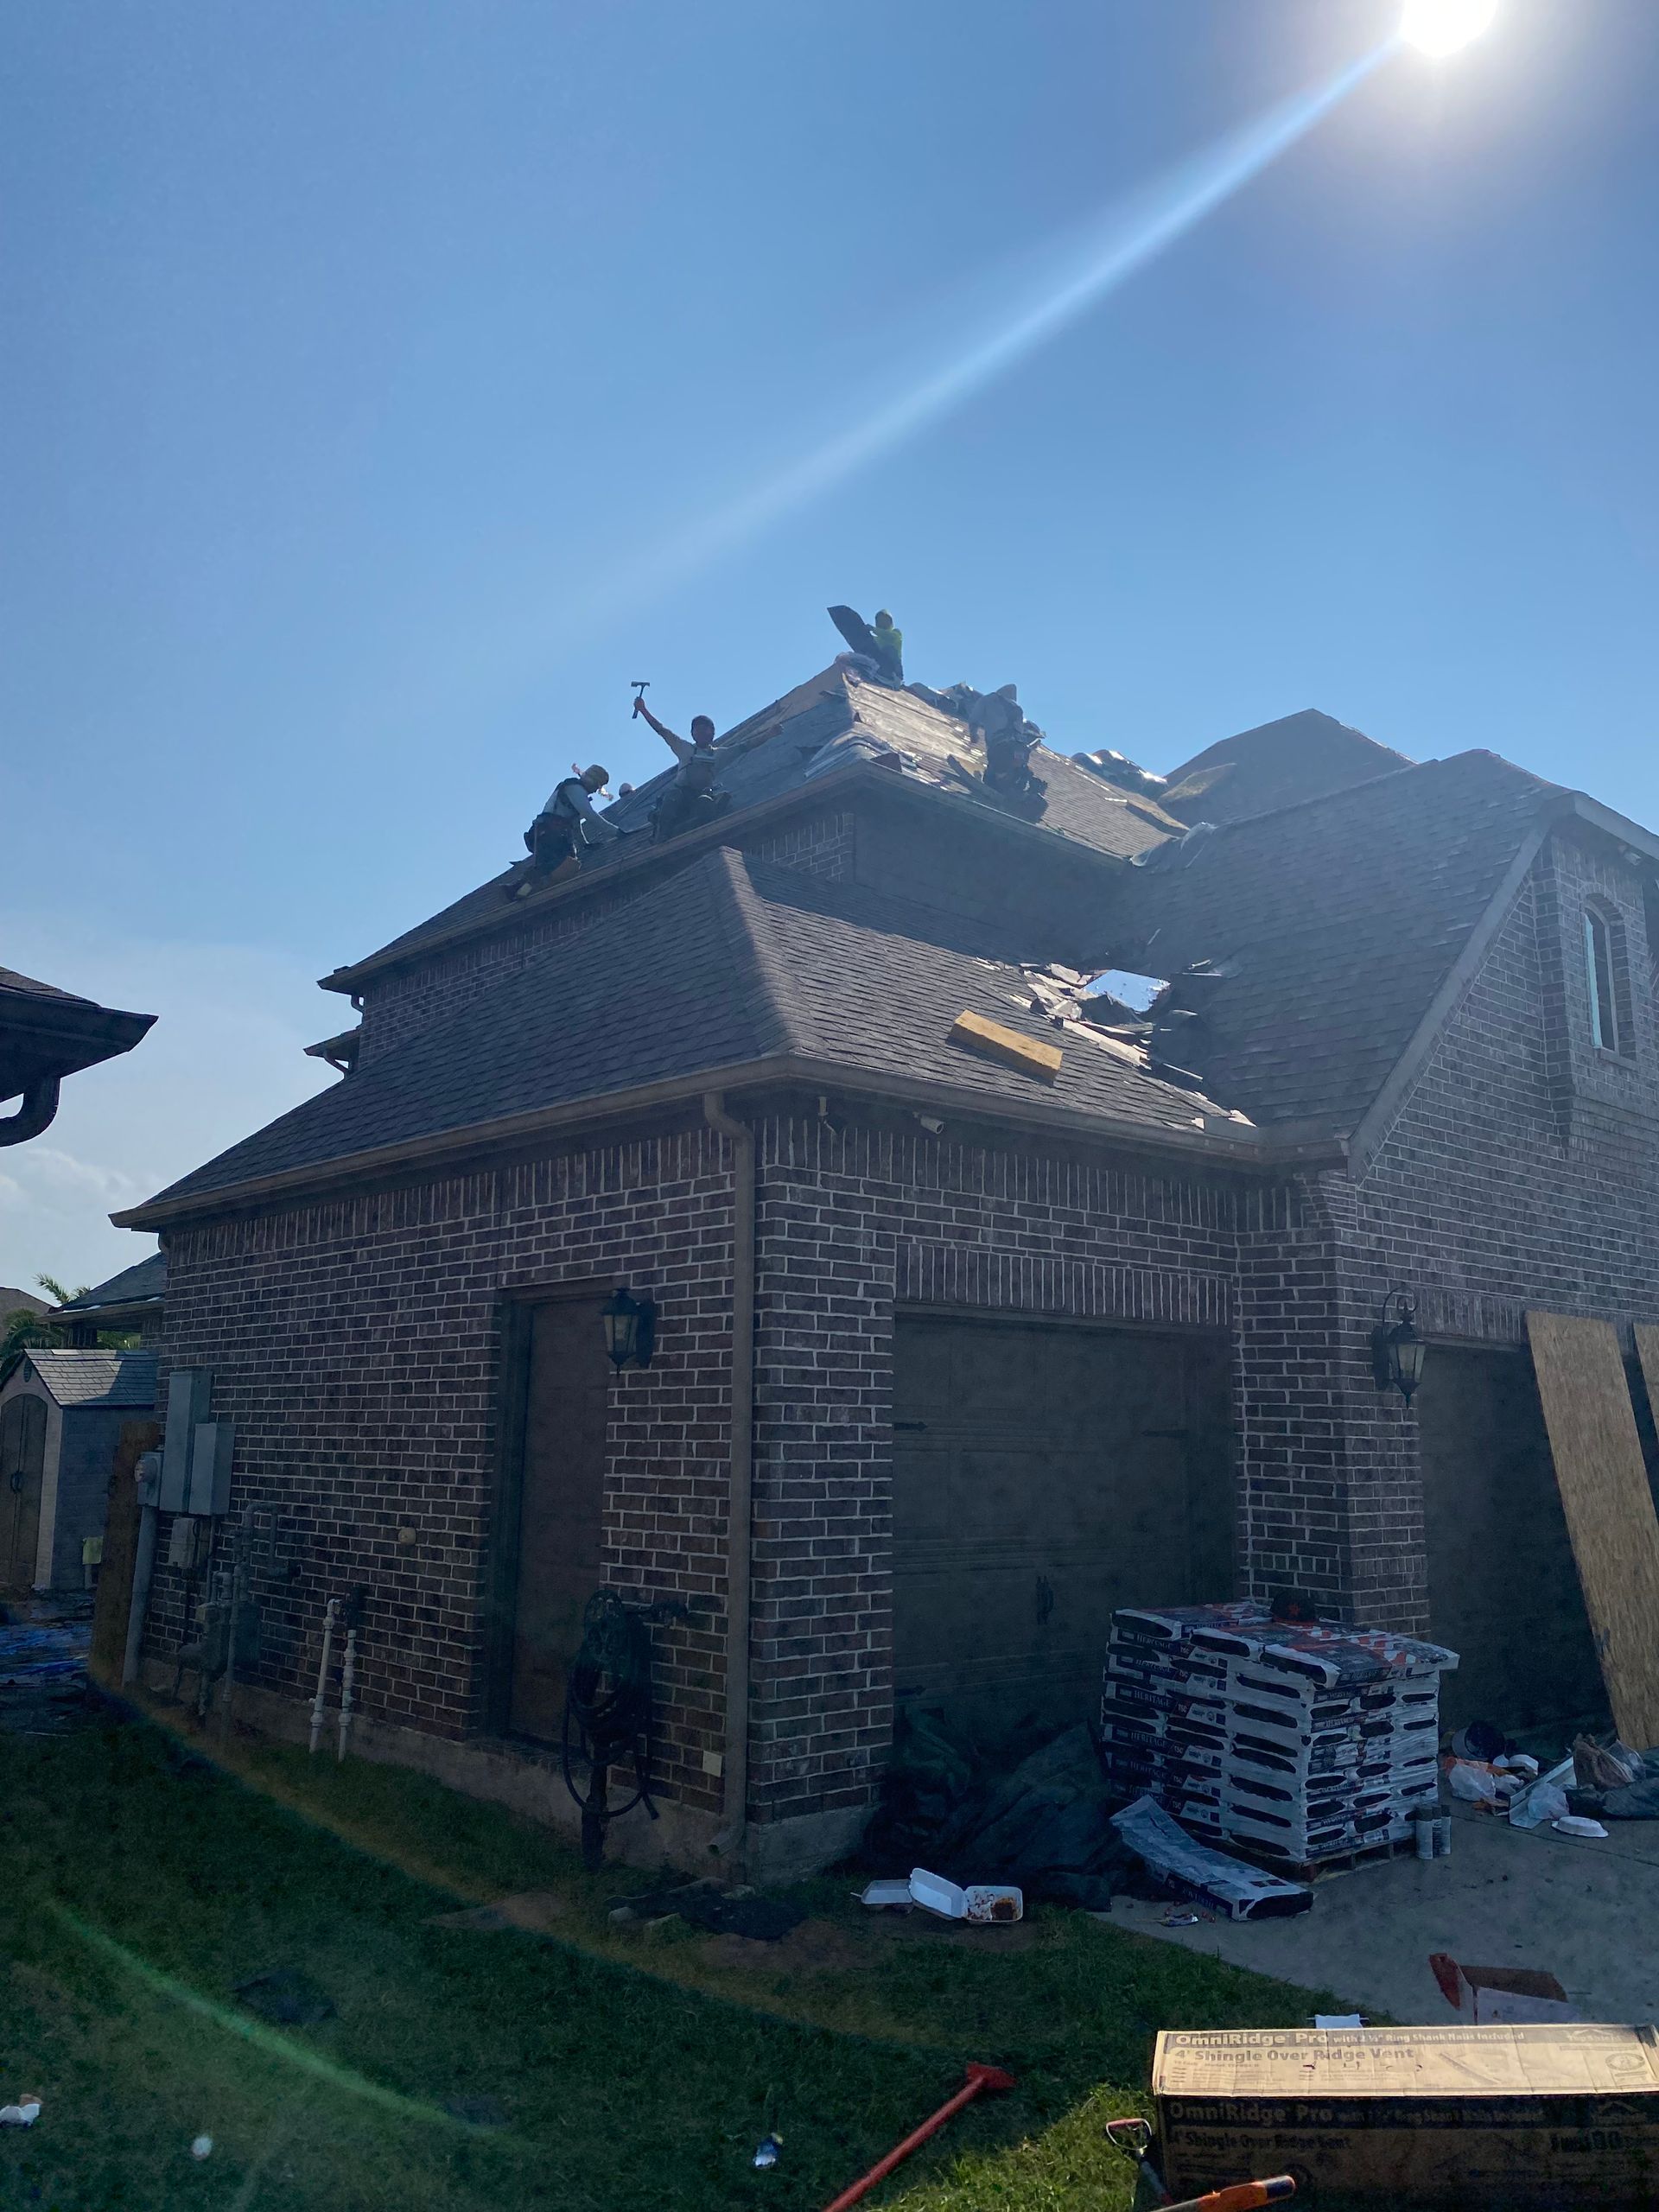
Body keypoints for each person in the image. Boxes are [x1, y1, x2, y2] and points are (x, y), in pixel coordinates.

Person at [517, 764, 621, 891]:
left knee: (551, 869)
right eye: (596, 786)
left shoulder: (572, 791)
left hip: (546, 834)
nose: (595, 790)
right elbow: (590, 815)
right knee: (567, 864)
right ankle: (531, 885)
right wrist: (617, 832)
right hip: (551, 835)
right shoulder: (575, 789)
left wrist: (585, 844)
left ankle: (522, 889)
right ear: (591, 781)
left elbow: (574, 824)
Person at [633, 696, 717, 765]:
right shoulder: (686, 749)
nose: (701, 733)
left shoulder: (719, 754)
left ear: (712, 732)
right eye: (698, 730)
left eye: (704, 730)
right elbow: (662, 731)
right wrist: (643, 710)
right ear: (692, 733)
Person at [870, 609, 904, 685]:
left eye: (884, 620)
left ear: (890, 622)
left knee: (889, 649)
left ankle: (896, 677)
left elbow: (890, 637)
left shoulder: (896, 633)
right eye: (879, 621)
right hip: (882, 665)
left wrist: (873, 629)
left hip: (895, 667)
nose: (881, 623)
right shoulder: (876, 639)